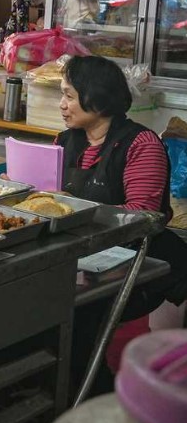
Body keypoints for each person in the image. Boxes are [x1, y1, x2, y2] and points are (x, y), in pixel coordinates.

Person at [58, 55, 187, 397]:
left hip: (137, 258)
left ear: (97, 99)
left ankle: (94, 395)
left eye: (69, 96)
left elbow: (142, 216)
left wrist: (74, 210)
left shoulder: (141, 144)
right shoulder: (67, 140)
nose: (62, 105)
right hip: (82, 252)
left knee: (80, 319)